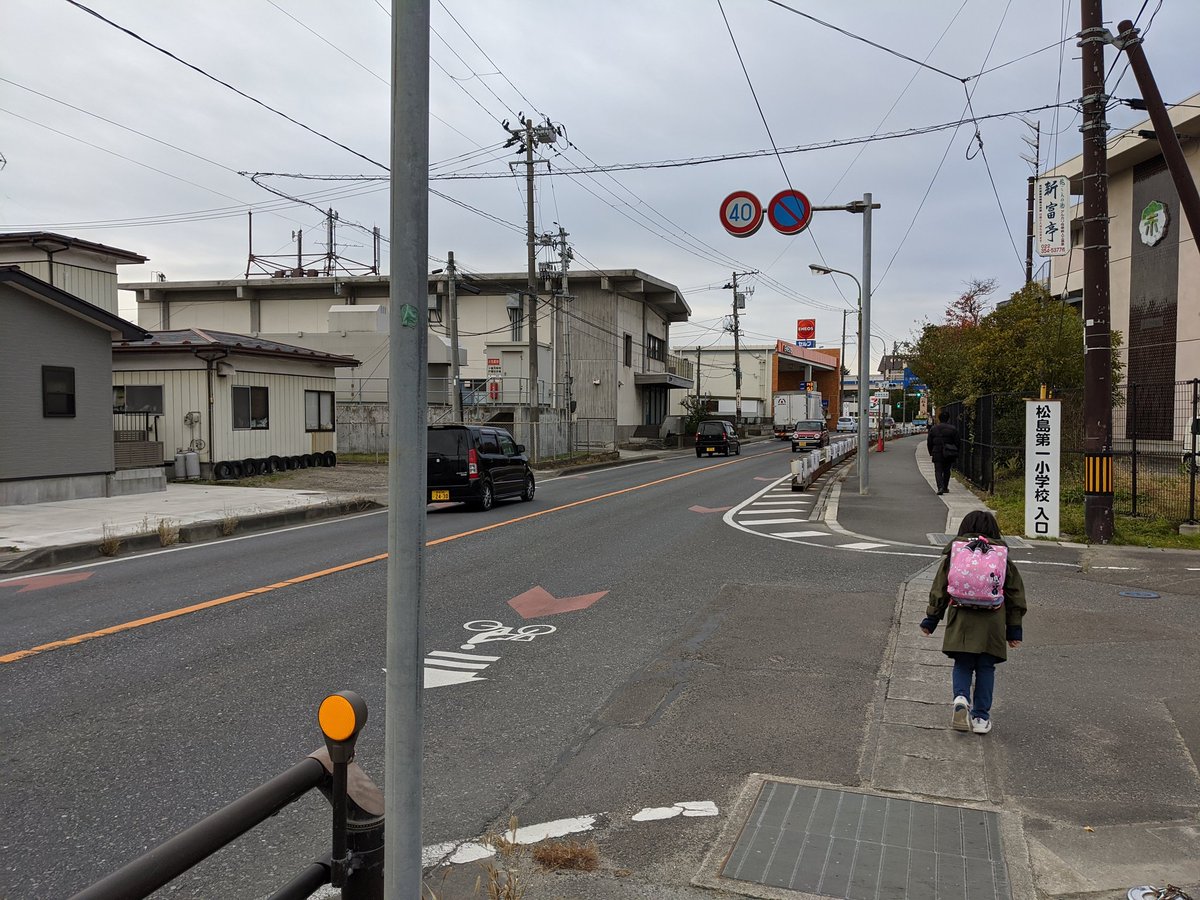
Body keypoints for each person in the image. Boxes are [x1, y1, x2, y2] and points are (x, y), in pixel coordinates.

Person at [919, 510, 1026, 735]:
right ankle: (980, 718)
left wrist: (931, 619)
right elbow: (1015, 594)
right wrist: (1014, 629)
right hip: (993, 622)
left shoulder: (957, 553)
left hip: (961, 618)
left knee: (963, 663)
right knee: (986, 668)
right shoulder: (1001, 556)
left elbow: (939, 589)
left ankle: (961, 698)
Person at [927, 410, 959, 495]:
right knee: (947, 470)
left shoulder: (934, 429)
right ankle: (945, 487)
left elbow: (929, 442)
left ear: (939, 418)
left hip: (936, 451)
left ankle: (940, 487)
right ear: (948, 419)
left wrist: (931, 451)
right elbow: (957, 442)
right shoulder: (953, 429)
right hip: (948, 452)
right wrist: (955, 451)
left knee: (938, 470)